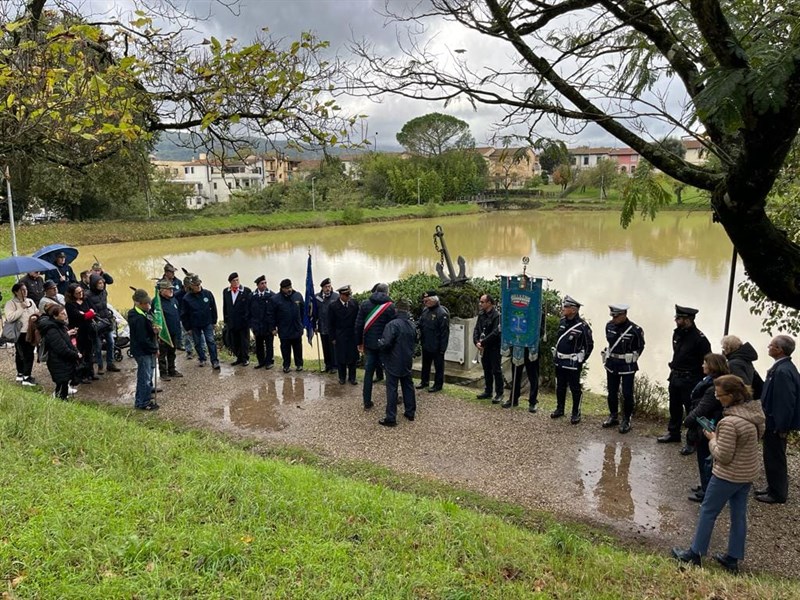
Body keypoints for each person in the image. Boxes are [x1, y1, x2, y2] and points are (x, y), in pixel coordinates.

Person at [672, 374, 765, 573]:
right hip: (747, 474)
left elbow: (723, 455)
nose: (716, 396)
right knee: (738, 515)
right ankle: (733, 558)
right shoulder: (755, 415)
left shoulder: (730, 423)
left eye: (719, 394)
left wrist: (712, 438)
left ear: (731, 396)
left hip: (727, 475)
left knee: (708, 511)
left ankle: (694, 553)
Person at [658, 305, 711, 450]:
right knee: (674, 407)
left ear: (688, 320)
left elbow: (708, 361)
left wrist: (703, 381)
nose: (676, 320)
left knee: (692, 410)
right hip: (675, 376)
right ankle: (673, 433)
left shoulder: (700, 339)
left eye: (679, 318)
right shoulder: (677, 334)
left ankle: (692, 441)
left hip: (691, 379)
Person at [756, 335, 800, 505]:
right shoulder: (784, 367)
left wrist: (781, 427)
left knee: (775, 457)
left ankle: (778, 494)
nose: (769, 346)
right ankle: (772, 487)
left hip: (775, 424)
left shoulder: (782, 371)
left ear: (779, 350)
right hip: (773, 422)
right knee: (770, 456)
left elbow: (785, 402)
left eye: (771, 345)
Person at [684, 353, 730, 501]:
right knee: (703, 457)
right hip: (705, 423)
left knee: (706, 458)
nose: (702, 365)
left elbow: (702, 408)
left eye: (705, 363)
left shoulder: (713, 388)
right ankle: (705, 485)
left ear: (712, 366)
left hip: (708, 425)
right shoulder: (712, 382)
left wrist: (688, 420)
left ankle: (707, 491)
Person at [602, 304, 645, 433]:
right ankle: (613, 416)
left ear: (624, 314)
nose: (614, 318)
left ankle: (627, 420)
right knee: (612, 391)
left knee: (627, 393)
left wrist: (633, 356)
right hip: (612, 364)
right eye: (613, 316)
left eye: (616, 316)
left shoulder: (635, 330)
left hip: (627, 365)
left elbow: (640, 346)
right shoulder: (609, 326)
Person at [552, 295, 594, 424]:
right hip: (560, 361)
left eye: (566, 306)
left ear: (574, 310)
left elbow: (589, 345)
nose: (563, 308)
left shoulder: (582, 326)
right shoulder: (562, 321)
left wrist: (581, 359)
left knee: (575, 388)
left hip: (573, 363)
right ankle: (560, 409)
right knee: (560, 386)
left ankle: (576, 412)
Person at [377, 297, 417, 426]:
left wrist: (379, 343)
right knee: (408, 386)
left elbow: (386, 343)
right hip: (407, 360)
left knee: (392, 389)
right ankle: (410, 412)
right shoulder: (412, 324)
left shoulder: (392, 324)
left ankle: (391, 417)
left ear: (396, 309)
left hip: (393, 360)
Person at [355, 282, 396, 409]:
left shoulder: (365, 304)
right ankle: (393, 400)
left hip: (370, 344)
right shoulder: (390, 306)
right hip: (385, 345)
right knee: (390, 373)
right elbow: (394, 328)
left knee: (368, 373)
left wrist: (359, 343)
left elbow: (358, 326)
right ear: (387, 292)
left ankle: (366, 401)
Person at [37, 304, 81, 400]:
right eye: (62, 313)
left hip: (62, 361)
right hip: (58, 362)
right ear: (55, 316)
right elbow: (61, 348)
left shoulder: (59, 325)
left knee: (63, 383)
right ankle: (60, 401)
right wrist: (76, 355)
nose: (65, 315)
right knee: (61, 384)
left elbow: (64, 340)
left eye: (65, 312)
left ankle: (61, 399)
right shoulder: (52, 329)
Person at [128, 288, 160, 411]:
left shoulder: (143, 313)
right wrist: (154, 348)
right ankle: (142, 402)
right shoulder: (138, 318)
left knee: (148, 374)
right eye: (146, 303)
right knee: (144, 377)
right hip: (143, 351)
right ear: (138, 303)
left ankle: (146, 396)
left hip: (147, 349)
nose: (148, 305)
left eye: (148, 303)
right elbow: (143, 339)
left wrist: (154, 330)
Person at [180, 275, 220, 369]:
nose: (198, 286)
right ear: (191, 286)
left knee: (210, 341)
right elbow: (184, 315)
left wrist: (214, 321)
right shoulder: (186, 298)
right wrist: (188, 327)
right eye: (196, 285)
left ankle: (215, 361)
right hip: (194, 325)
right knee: (197, 343)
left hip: (207, 323)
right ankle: (202, 358)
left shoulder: (207, 294)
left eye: (199, 284)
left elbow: (213, 308)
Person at [4, 282, 40, 386]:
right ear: (16, 292)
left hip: (30, 331)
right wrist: (21, 308)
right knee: (22, 354)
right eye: (22, 290)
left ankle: (23, 374)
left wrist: (35, 317)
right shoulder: (10, 303)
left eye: (26, 290)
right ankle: (24, 375)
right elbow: (10, 317)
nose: (25, 292)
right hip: (19, 333)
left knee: (29, 353)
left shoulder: (30, 301)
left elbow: (36, 312)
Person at [416, 290, 450, 393]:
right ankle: (424, 381)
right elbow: (420, 323)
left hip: (437, 345)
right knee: (425, 364)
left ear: (433, 300)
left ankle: (438, 385)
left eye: (427, 301)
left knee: (438, 367)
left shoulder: (442, 313)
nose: (425, 303)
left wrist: (442, 348)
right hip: (426, 343)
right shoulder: (425, 311)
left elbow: (445, 333)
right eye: (424, 301)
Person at [86, 274, 120, 374]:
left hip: (106, 321)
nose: (101, 285)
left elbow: (105, 306)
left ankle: (110, 363)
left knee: (111, 342)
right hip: (96, 323)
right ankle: (100, 366)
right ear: (94, 284)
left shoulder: (104, 292)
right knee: (98, 346)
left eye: (102, 283)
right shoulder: (87, 295)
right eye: (99, 283)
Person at [64, 283, 98, 384]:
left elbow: (94, 310)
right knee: (81, 354)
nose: (81, 294)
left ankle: (90, 373)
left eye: (81, 292)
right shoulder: (70, 305)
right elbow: (79, 317)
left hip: (89, 330)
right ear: (72, 294)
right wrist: (88, 313)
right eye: (78, 293)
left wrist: (87, 314)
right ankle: (82, 375)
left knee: (90, 352)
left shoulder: (86, 299)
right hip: (78, 333)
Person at [474, 294, 503, 403]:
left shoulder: (497, 316)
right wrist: (476, 341)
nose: (480, 304)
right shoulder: (481, 315)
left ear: (489, 303)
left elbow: (496, 332)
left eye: (482, 302)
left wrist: (483, 342)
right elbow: (476, 329)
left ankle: (499, 393)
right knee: (486, 369)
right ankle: (488, 391)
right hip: (483, 347)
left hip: (494, 347)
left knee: (496, 370)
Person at [271, 278, 304, 373]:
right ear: (282, 289)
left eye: (290, 287)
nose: (289, 289)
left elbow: (303, 311)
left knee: (298, 348)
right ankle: (286, 365)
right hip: (284, 329)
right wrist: (273, 328)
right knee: (285, 349)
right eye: (286, 288)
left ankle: (299, 364)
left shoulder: (298, 296)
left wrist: (302, 324)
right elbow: (271, 315)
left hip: (296, 328)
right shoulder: (275, 299)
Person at [328, 285, 359, 385]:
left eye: (349, 294)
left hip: (351, 335)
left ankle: (352, 377)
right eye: (346, 295)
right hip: (340, 335)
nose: (348, 297)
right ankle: (342, 377)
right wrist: (332, 337)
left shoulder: (354, 304)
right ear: (341, 295)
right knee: (341, 357)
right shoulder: (333, 306)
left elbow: (357, 321)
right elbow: (330, 323)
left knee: (353, 357)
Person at [222, 272, 252, 366]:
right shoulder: (226, 291)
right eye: (234, 281)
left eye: (237, 280)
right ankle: (238, 357)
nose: (236, 282)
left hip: (243, 322)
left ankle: (245, 358)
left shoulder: (246, 291)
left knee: (244, 341)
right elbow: (225, 306)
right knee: (234, 341)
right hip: (232, 321)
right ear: (230, 282)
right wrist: (226, 320)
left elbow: (249, 307)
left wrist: (248, 319)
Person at [156, 279, 183, 380]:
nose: (171, 290)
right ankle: (163, 373)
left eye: (171, 288)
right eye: (169, 289)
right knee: (163, 354)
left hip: (174, 331)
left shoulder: (173, 300)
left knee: (172, 352)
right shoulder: (157, 302)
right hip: (164, 333)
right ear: (162, 290)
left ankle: (172, 370)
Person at [248, 275, 275, 369]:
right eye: (262, 283)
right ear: (258, 285)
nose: (264, 285)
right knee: (259, 345)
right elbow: (249, 312)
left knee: (269, 345)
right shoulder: (252, 296)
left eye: (265, 283)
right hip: (257, 326)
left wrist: (274, 327)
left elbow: (274, 312)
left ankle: (269, 362)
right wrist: (251, 325)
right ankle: (261, 361)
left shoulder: (272, 295)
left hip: (268, 326)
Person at [315, 278, 339, 373]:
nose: (328, 289)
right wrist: (315, 326)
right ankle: (327, 365)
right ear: (322, 288)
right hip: (322, 327)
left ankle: (334, 366)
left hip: (333, 328)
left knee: (333, 347)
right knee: (325, 347)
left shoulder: (336, 297)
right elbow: (314, 313)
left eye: (329, 286)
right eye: (326, 287)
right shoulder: (317, 297)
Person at [175, 273, 196, 359]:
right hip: (183, 317)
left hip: (194, 317)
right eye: (188, 287)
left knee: (199, 335)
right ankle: (189, 351)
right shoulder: (177, 295)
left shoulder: (194, 292)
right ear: (184, 286)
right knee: (186, 335)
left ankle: (202, 351)